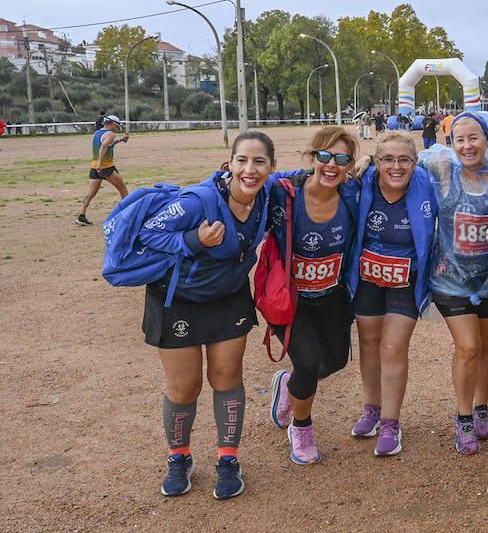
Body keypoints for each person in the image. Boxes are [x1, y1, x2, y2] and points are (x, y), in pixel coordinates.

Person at [137, 130, 277, 499]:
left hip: (228, 296)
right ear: (228, 165)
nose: (250, 169)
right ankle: (178, 457)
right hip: (177, 298)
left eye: (259, 161)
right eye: (242, 161)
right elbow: (148, 233)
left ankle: (228, 459)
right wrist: (193, 241)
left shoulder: (268, 194)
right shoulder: (199, 201)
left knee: (227, 376)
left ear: (271, 168)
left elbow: (309, 176)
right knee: (185, 386)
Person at [264, 127, 361, 466]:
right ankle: (301, 427)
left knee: (333, 362)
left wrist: (370, 162)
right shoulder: (284, 192)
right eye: (324, 156)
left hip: (332, 296)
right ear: (312, 158)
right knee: (307, 362)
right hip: (290, 299)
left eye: (342, 159)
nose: (332, 165)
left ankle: (289, 384)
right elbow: (248, 178)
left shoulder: (352, 195)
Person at [420, 111, 488, 453]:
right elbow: (396, 162)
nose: (466, 145)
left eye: (474, 138)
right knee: (469, 347)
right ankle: (462, 419)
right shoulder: (442, 168)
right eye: (459, 139)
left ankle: (481, 409)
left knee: (486, 346)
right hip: (449, 280)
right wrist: (365, 160)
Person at [348, 129, 438, 457]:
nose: (396, 166)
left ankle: (390, 422)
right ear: (376, 161)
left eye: (404, 160)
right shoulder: (363, 180)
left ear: (415, 162)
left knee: (393, 346)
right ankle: (372, 409)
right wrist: (362, 162)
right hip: (369, 276)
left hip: (406, 278)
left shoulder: (427, 183)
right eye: (388, 159)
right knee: (369, 344)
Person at [77, 115, 131, 225]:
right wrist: (100, 163)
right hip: (106, 168)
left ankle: (81, 216)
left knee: (90, 194)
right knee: (123, 190)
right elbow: (104, 146)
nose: (116, 128)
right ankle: (127, 216)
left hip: (94, 167)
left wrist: (120, 140)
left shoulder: (97, 133)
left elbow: (108, 143)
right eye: (116, 126)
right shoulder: (111, 134)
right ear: (111, 124)